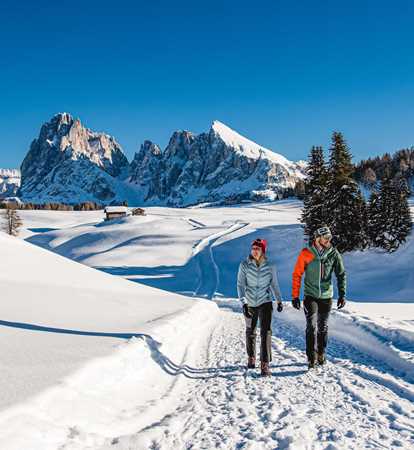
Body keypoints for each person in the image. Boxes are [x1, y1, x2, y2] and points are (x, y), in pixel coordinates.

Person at [291, 225, 346, 369]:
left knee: (323, 327)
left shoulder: (334, 254)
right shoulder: (306, 253)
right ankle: (311, 357)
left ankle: (321, 352)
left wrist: (342, 294)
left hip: (327, 296)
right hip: (311, 296)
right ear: (317, 239)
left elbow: (341, 274)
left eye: (330, 237)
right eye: (326, 237)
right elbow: (297, 274)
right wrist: (295, 296)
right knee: (311, 326)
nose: (329, 240)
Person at [237, 238, 283, 377]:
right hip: (250, 302)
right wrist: (244, 303)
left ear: (263, 250)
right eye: (253, 248)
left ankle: (265, 364)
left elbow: (274, 284)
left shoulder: (270, 266)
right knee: (251, 330)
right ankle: (251, 357)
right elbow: (240, 285)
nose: (255, 251)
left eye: (258, 249)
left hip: (265, 301)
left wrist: (279, 301)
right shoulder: (244, 265)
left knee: (266, 332)